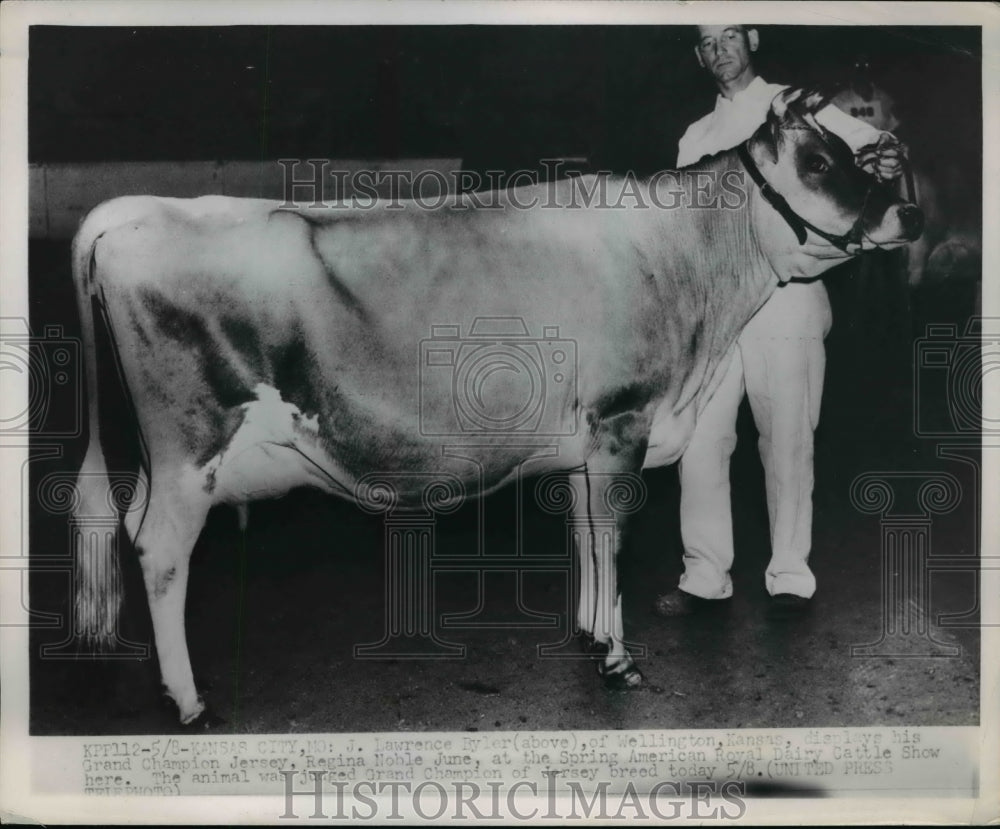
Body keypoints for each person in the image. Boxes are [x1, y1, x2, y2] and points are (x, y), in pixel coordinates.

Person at [653, 25, 904, 620]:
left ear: (754, 40)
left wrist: (885, 156)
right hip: (717, 313)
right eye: (709, 43)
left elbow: (875, 151)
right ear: (698, 56)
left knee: (788, 441)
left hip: (788, 303)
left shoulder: (799, 107)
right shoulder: (695, 136)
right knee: (700, 443)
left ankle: (790, 575)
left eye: (731, 37)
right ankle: (704, 575)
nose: (721, 51)